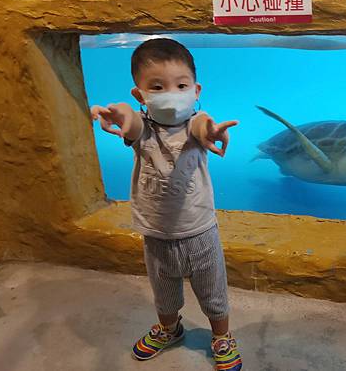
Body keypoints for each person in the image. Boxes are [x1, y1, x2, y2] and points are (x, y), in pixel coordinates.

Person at [90, 38, 242, 370]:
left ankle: (221, 335)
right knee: (164, 293)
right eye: (157, 87)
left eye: (181, 85)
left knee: (213, 292)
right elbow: (130, 121)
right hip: (156, 232)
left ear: (196, 90)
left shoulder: (196, 124)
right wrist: (120, 113)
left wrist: (212, 132)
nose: (171, 94)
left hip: (199, 230)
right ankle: (170, 329)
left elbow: (202, 127)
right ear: (140, 94)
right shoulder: (142, 129)